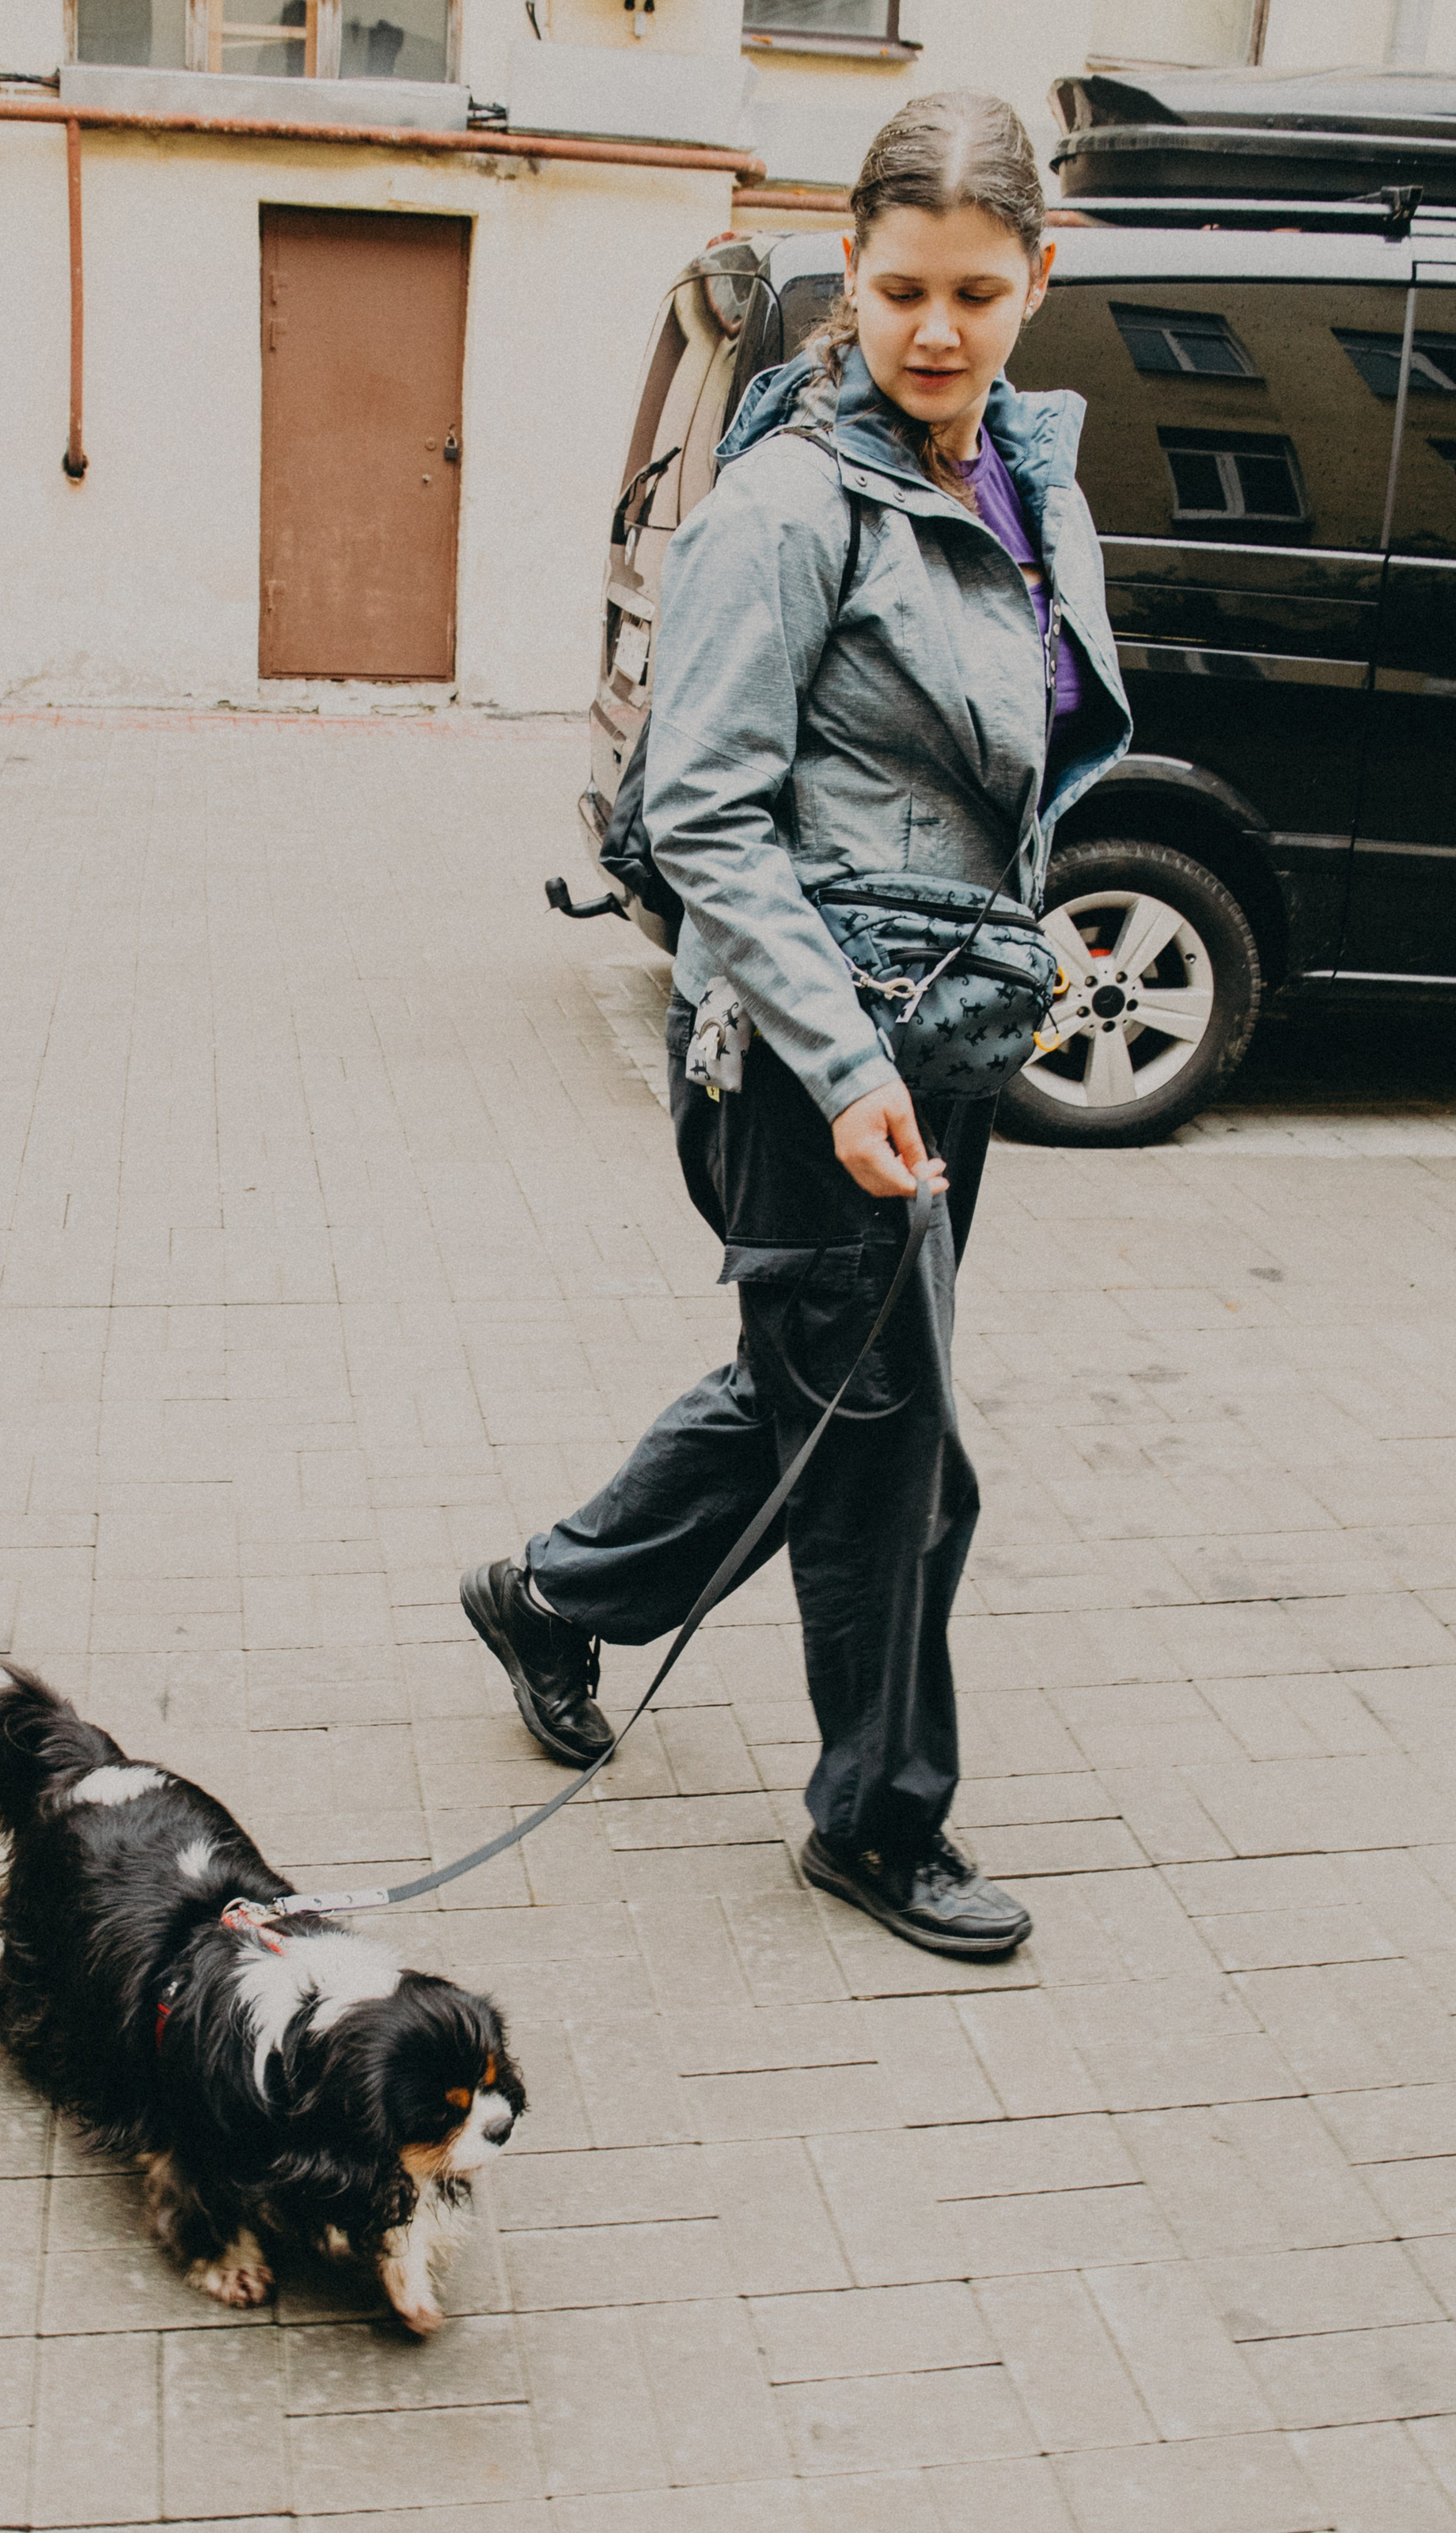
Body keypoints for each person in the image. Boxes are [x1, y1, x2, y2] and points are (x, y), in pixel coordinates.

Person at [462, 91, 1132, 1959]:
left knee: (815, 1388)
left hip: (939, 1038)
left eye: (975, 294)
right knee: (891, 1460)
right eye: (901, 289)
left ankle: (550, 1596)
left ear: (1036, 280)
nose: (935, 329)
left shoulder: (1022, 475)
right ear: (848, 268)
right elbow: (703, 818)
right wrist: (840, 1069)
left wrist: (1005, 943)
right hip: (801, 1059)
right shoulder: (786, 503)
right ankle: (874, 1821)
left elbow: (998, 756)